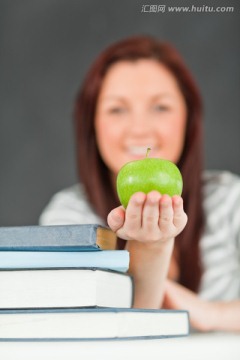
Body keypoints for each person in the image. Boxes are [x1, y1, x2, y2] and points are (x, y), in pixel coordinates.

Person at [39, 35, 240, 332]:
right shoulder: (69, 220)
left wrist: (207, 313)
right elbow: (76, 331)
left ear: (189, 117)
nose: (140, 128)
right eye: (117, 109)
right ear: (91, 123)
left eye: (160, 107)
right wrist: (150, 249)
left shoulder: (229, 200)